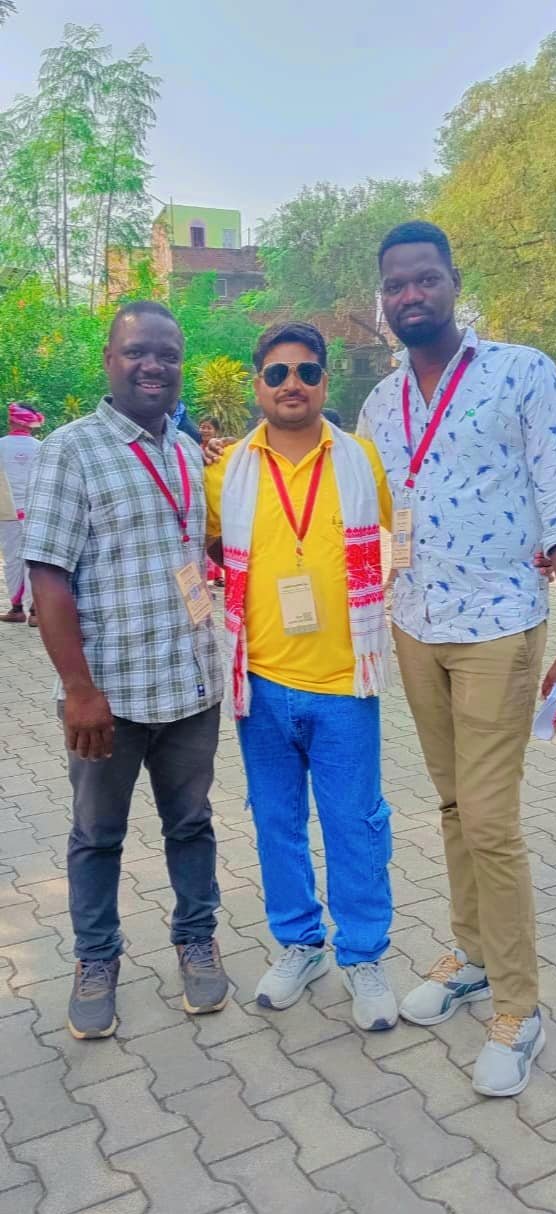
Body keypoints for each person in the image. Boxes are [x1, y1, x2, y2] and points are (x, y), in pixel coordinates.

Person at [358, 220, 556, 1096]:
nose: (410, 295)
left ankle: (520, 1008)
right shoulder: (380, 403)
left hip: (499, 625)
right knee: (452, 805)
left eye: (425, 279)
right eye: (395, 285)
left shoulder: (522, 372)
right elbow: (372, 521)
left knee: (490, 819)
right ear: (383, 301)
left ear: (454, 282)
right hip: (416, 625)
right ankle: (473, 955)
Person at [24, 300, 228, 1040]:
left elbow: (191, 551)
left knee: (192, 825)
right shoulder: (70, 451)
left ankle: (196, 939)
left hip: (192, 685)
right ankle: (95, 959)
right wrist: (79, 691)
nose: (153, 366)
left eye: (167, 355)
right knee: (97, 835)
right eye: (138, 351)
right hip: (109, 696)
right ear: (110, 360)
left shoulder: (186, 451)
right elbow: (47, 576)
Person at [205, 321, 397, 1032]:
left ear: (323, 381)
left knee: (356, 825)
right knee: (277, 823)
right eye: (279, 372)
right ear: (258, 383)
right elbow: (207, 551)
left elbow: (393, 539)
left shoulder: (361, 460)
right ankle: (299, 944)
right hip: (259, 684)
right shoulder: (225, 472)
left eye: (308, 371)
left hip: (345, 681)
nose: (293, 384)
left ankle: (364, 956)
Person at [0, 402, 43, 626]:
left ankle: (17, 609)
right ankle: (36, 611)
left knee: (12, 560)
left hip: (7, 511)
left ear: (11, 421)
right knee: (36, 559)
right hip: (36, 511)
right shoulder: (42, 447)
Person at [199, 419, 226, 587]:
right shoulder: (195, 450)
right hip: (213, 535)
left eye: (208, 427)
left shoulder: (228, 451)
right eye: (202, 427)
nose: (204, 430)